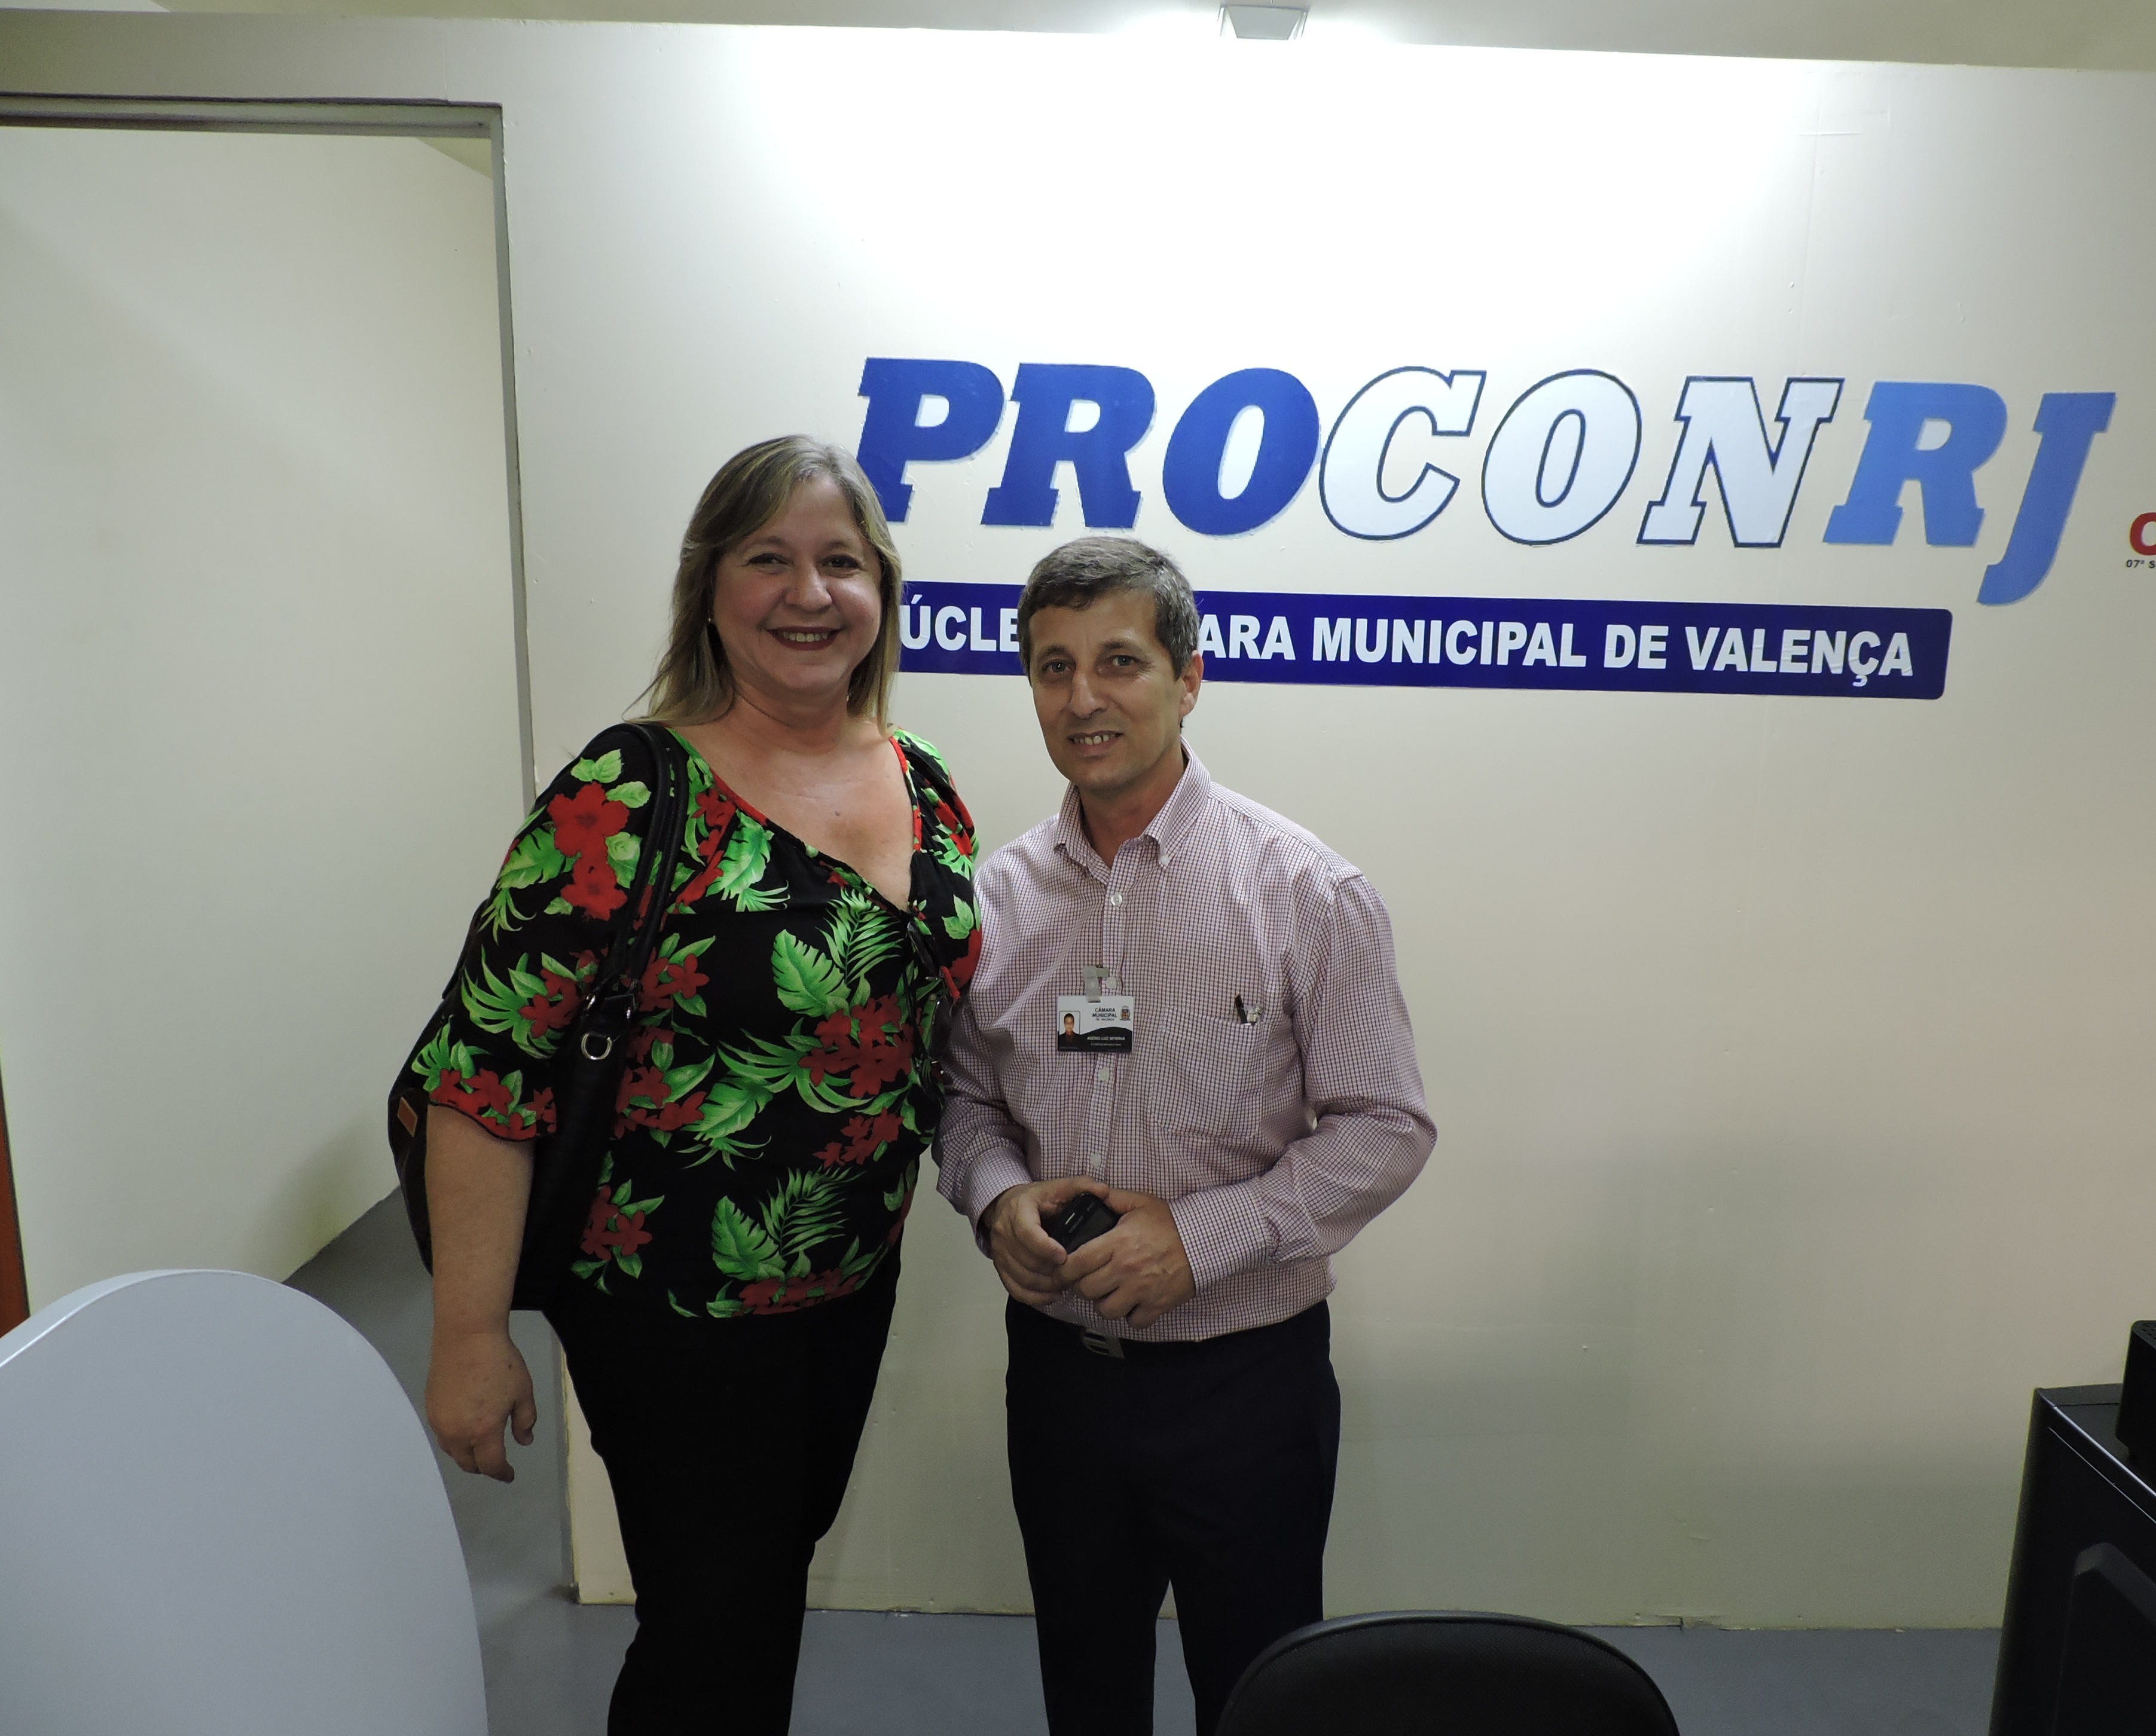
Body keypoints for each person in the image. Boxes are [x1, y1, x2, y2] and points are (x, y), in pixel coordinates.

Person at [415, 436, 980, 1734]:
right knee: (711, 1636)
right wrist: (468, 1335)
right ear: (709, 588)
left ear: (882, 589)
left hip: (850, 1286)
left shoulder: (924, 782)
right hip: (672, 1309)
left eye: (840, 562)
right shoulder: (625, 792)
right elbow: (484, 1075)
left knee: (752, 1598)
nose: (808, 593)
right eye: (768, 558)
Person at [934, 536, 1434, 1736]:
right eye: (1053, 668)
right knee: (1086, 1693)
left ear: (1188, 677)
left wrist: (1197, 1241)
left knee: (1261, 1699)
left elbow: (1386, 1127)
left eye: (1119, 661)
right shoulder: (995, 900)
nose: (1083, 699)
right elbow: (964, 1098)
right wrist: (998, 1198)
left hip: (1243, 1387)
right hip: (1060, 1377)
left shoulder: (1306, 893)